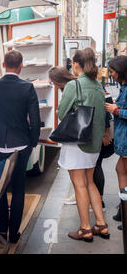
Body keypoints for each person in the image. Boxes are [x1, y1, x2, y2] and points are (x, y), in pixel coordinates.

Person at [0, 50, 41, 244]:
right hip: (21, 144)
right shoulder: (28, 88)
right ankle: (14, 233)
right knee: (18, 188)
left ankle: (2, 231)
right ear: (21, 64)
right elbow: (35, 119)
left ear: (3, 64)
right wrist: (33, 141)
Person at [56, 48, 109, 242]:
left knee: (79, 185)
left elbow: (62, 114)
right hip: (94, 143)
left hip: (77, 142)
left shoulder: (73, 85)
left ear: (75, 64)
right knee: (89, 182)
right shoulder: (97, 85)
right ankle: (101, 224)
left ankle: (85, 228)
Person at [49, 67, 114, 209]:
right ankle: (98, 212)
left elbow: (62, 113)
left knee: (85, 179)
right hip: (92, 134)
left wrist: (105, 132)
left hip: (85, 137)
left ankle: (90, 214)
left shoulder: (74, 86)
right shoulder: (93, 84)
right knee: (88, 178)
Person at [105, 56, 127, 230]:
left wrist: (116, 110)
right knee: (120, 169)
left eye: (112, 71)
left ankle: (125, 211)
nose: (110, 74)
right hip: (123, 139)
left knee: (123, 170)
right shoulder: (124, 87)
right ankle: (123, 208)